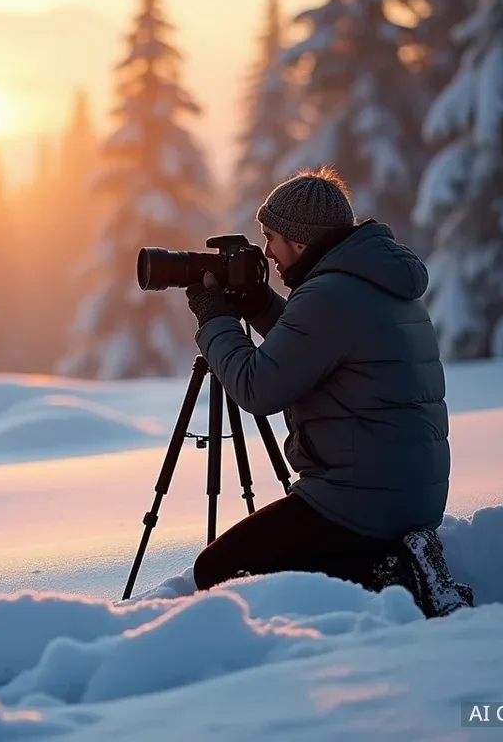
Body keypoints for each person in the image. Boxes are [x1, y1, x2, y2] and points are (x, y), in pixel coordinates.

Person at [183, 167, 474, 618]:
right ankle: (396, 558)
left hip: (358, 501)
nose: (267, 252)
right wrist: (260, 305)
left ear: (299, 240)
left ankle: (393, 571)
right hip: (407, 492)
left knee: (216, 569)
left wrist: (213, 318)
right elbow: (313, 347)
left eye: (271, 236)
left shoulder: (329, 295)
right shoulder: (369, 281)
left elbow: (257, 387)